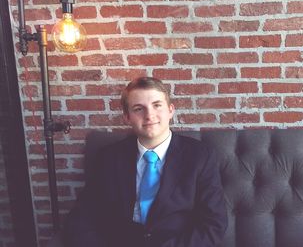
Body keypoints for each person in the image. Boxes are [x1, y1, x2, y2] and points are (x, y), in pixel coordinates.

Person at [63, 77, 227, 247]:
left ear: (171, 110)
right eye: (138, 108)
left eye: (157, 105)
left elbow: (214, 223)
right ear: (127, 117)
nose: (149, 115)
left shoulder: (200, 155)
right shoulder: (108, 158)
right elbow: (82, 217)